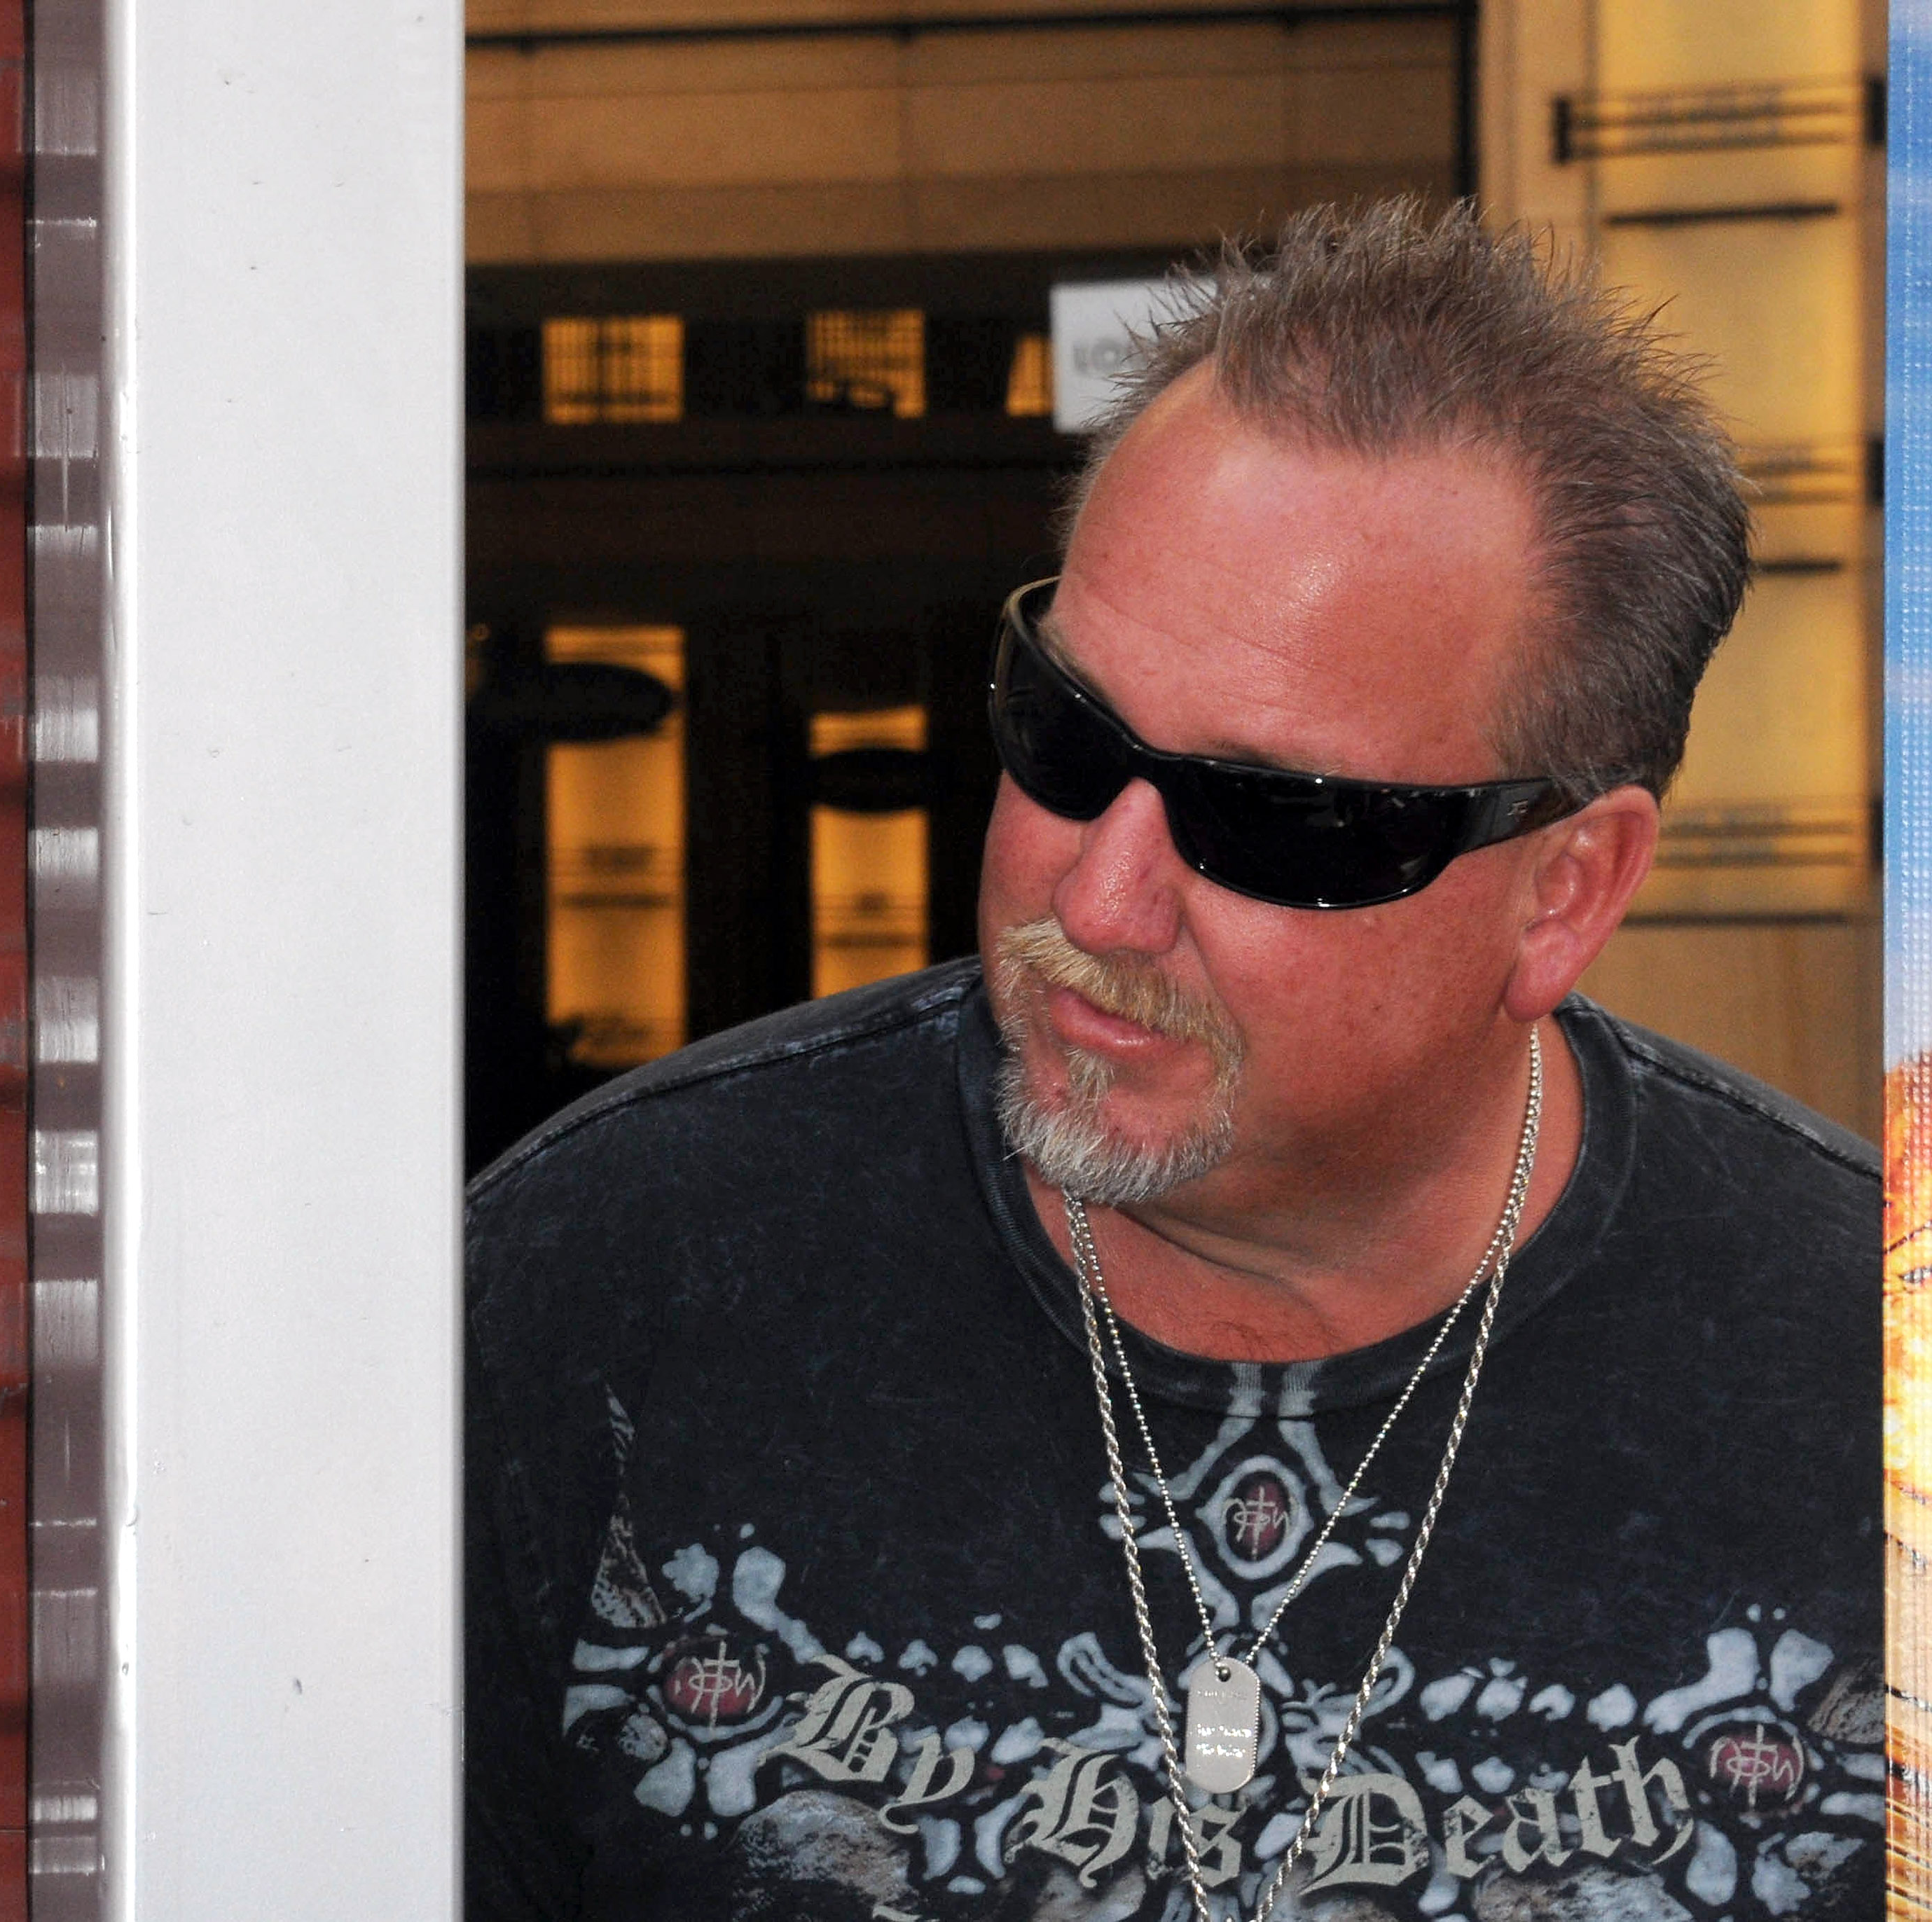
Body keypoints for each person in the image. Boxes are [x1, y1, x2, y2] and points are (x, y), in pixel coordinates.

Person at [465, 201, 1880, 1922]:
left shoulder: (1867, 1398)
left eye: (1272, 815)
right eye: (1066, 733)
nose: (1098, 897)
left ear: (1564, 891)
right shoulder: (598, 1293)